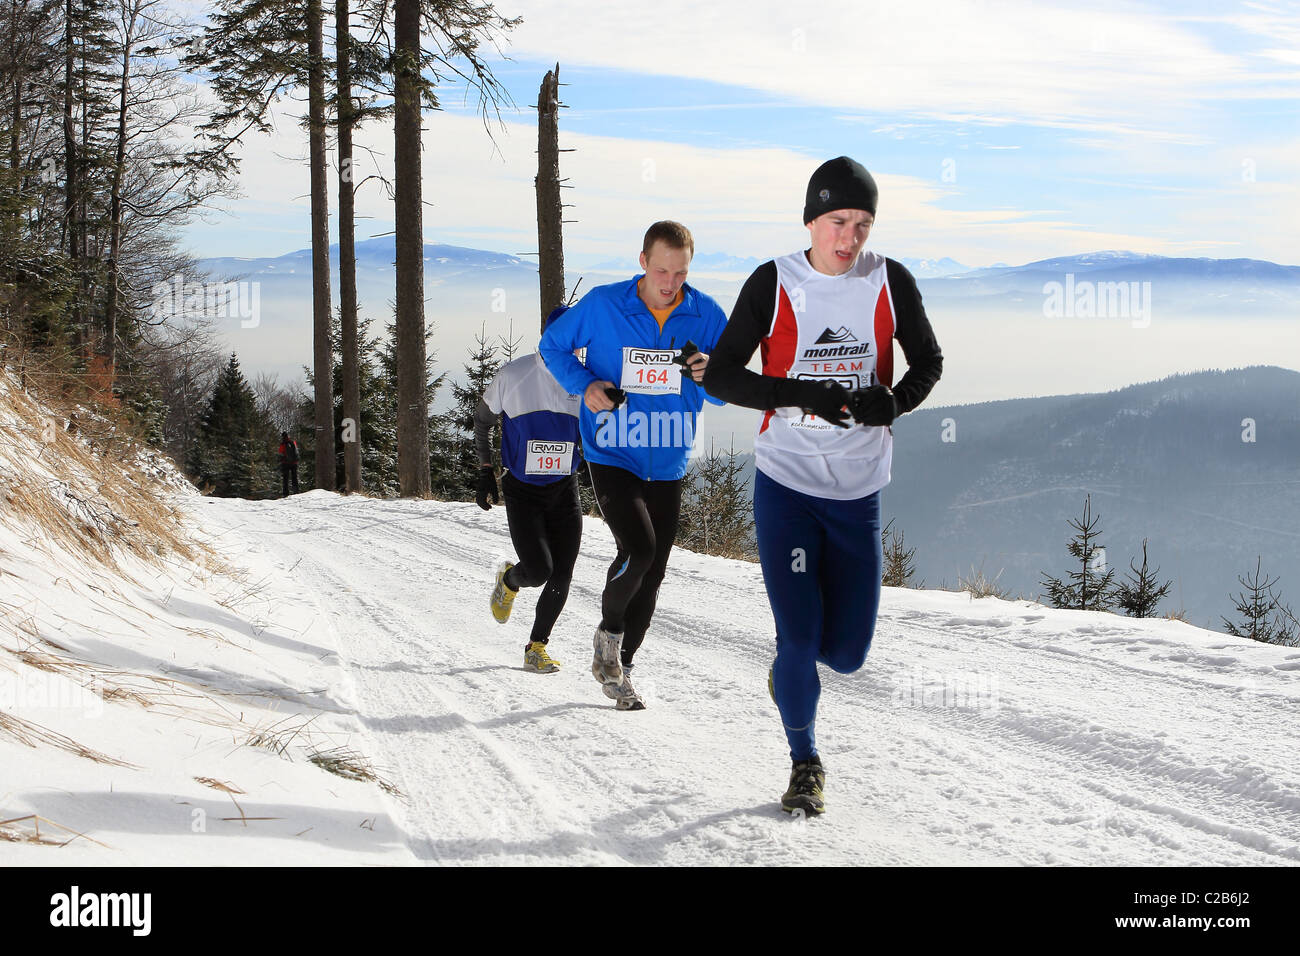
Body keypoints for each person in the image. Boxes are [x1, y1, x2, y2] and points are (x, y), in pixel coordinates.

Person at [703, 156, 943, 815]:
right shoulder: (774, 282)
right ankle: (805, 761)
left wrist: (893, 402)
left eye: (862, 224)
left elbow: (930, 362)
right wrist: (797, 393)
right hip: (786, 484)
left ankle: (790, 676)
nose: (850, 237)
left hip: (858, 490)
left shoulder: (889, 281)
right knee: (802, 641)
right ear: (812, 219)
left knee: (847, 654)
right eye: (838, 221)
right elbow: (720, 376)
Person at [540, 221, 727, 710]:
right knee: (639, 551)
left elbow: (732, 386)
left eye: (680, 272)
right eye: (662, 269)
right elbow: (552, 346)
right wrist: (586, 386)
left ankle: (621, 665)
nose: (670, 282)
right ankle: (608, 636)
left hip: (667, 455)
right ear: (642, 261)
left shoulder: (704, 313)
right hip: (612, 449)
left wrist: (714, 374)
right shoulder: (603, 305)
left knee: (655, 571)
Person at [475, 307, 584, 674]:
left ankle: (536, 647)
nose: (571, 352)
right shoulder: (514, 375)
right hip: (523, 490)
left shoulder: (584, 382)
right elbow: (482, 420)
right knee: (538, 570)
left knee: (563, 573)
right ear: (547, 340)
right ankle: (509, 580)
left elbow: (598, 432)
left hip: (564, 488)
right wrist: (485, 469)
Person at [278, 431, 300, 497]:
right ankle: (296, 491)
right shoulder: (293, 442)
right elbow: (296, 451)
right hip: (294, 463)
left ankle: (285, 493)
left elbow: (280, 452)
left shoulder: (283, 444)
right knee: (294, 477)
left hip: (285, 463)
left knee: (285, 479)